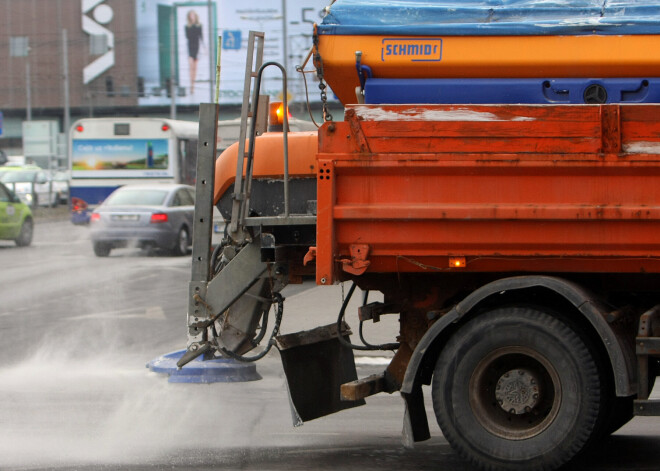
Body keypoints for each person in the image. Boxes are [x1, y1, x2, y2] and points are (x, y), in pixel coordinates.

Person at [185, 10, 204, 94]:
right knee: (191, 67)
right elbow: (188, 36)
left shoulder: (199, 26)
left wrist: (204, 48)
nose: (192, 17)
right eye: (190, 15)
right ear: (189, 17)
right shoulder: (187, 26)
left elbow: (201, 37)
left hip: (197, 47)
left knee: (195, 68)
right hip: (190, 47)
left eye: (193, 15)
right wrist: (192, 25)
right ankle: (191, 85)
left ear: (195, 16)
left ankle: (193, 85)